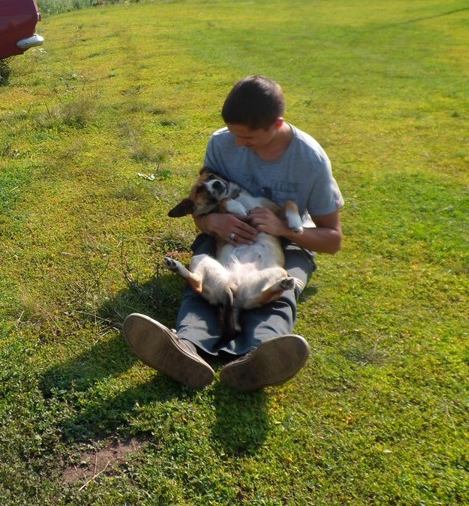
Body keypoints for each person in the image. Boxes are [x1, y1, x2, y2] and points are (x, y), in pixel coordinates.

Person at [124, 75, 344, 391]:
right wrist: (210, 224)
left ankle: (259, 357)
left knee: (283, 287)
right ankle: (185, 349)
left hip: (289, 240)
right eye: (233, 134)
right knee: (205, 275)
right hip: (226, 234)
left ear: (277, 124)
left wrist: (282, 228)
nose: (238, 144)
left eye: (248, 138)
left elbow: (333, 239)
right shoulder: (221, 142)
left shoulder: (310, 160)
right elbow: (201, 204)